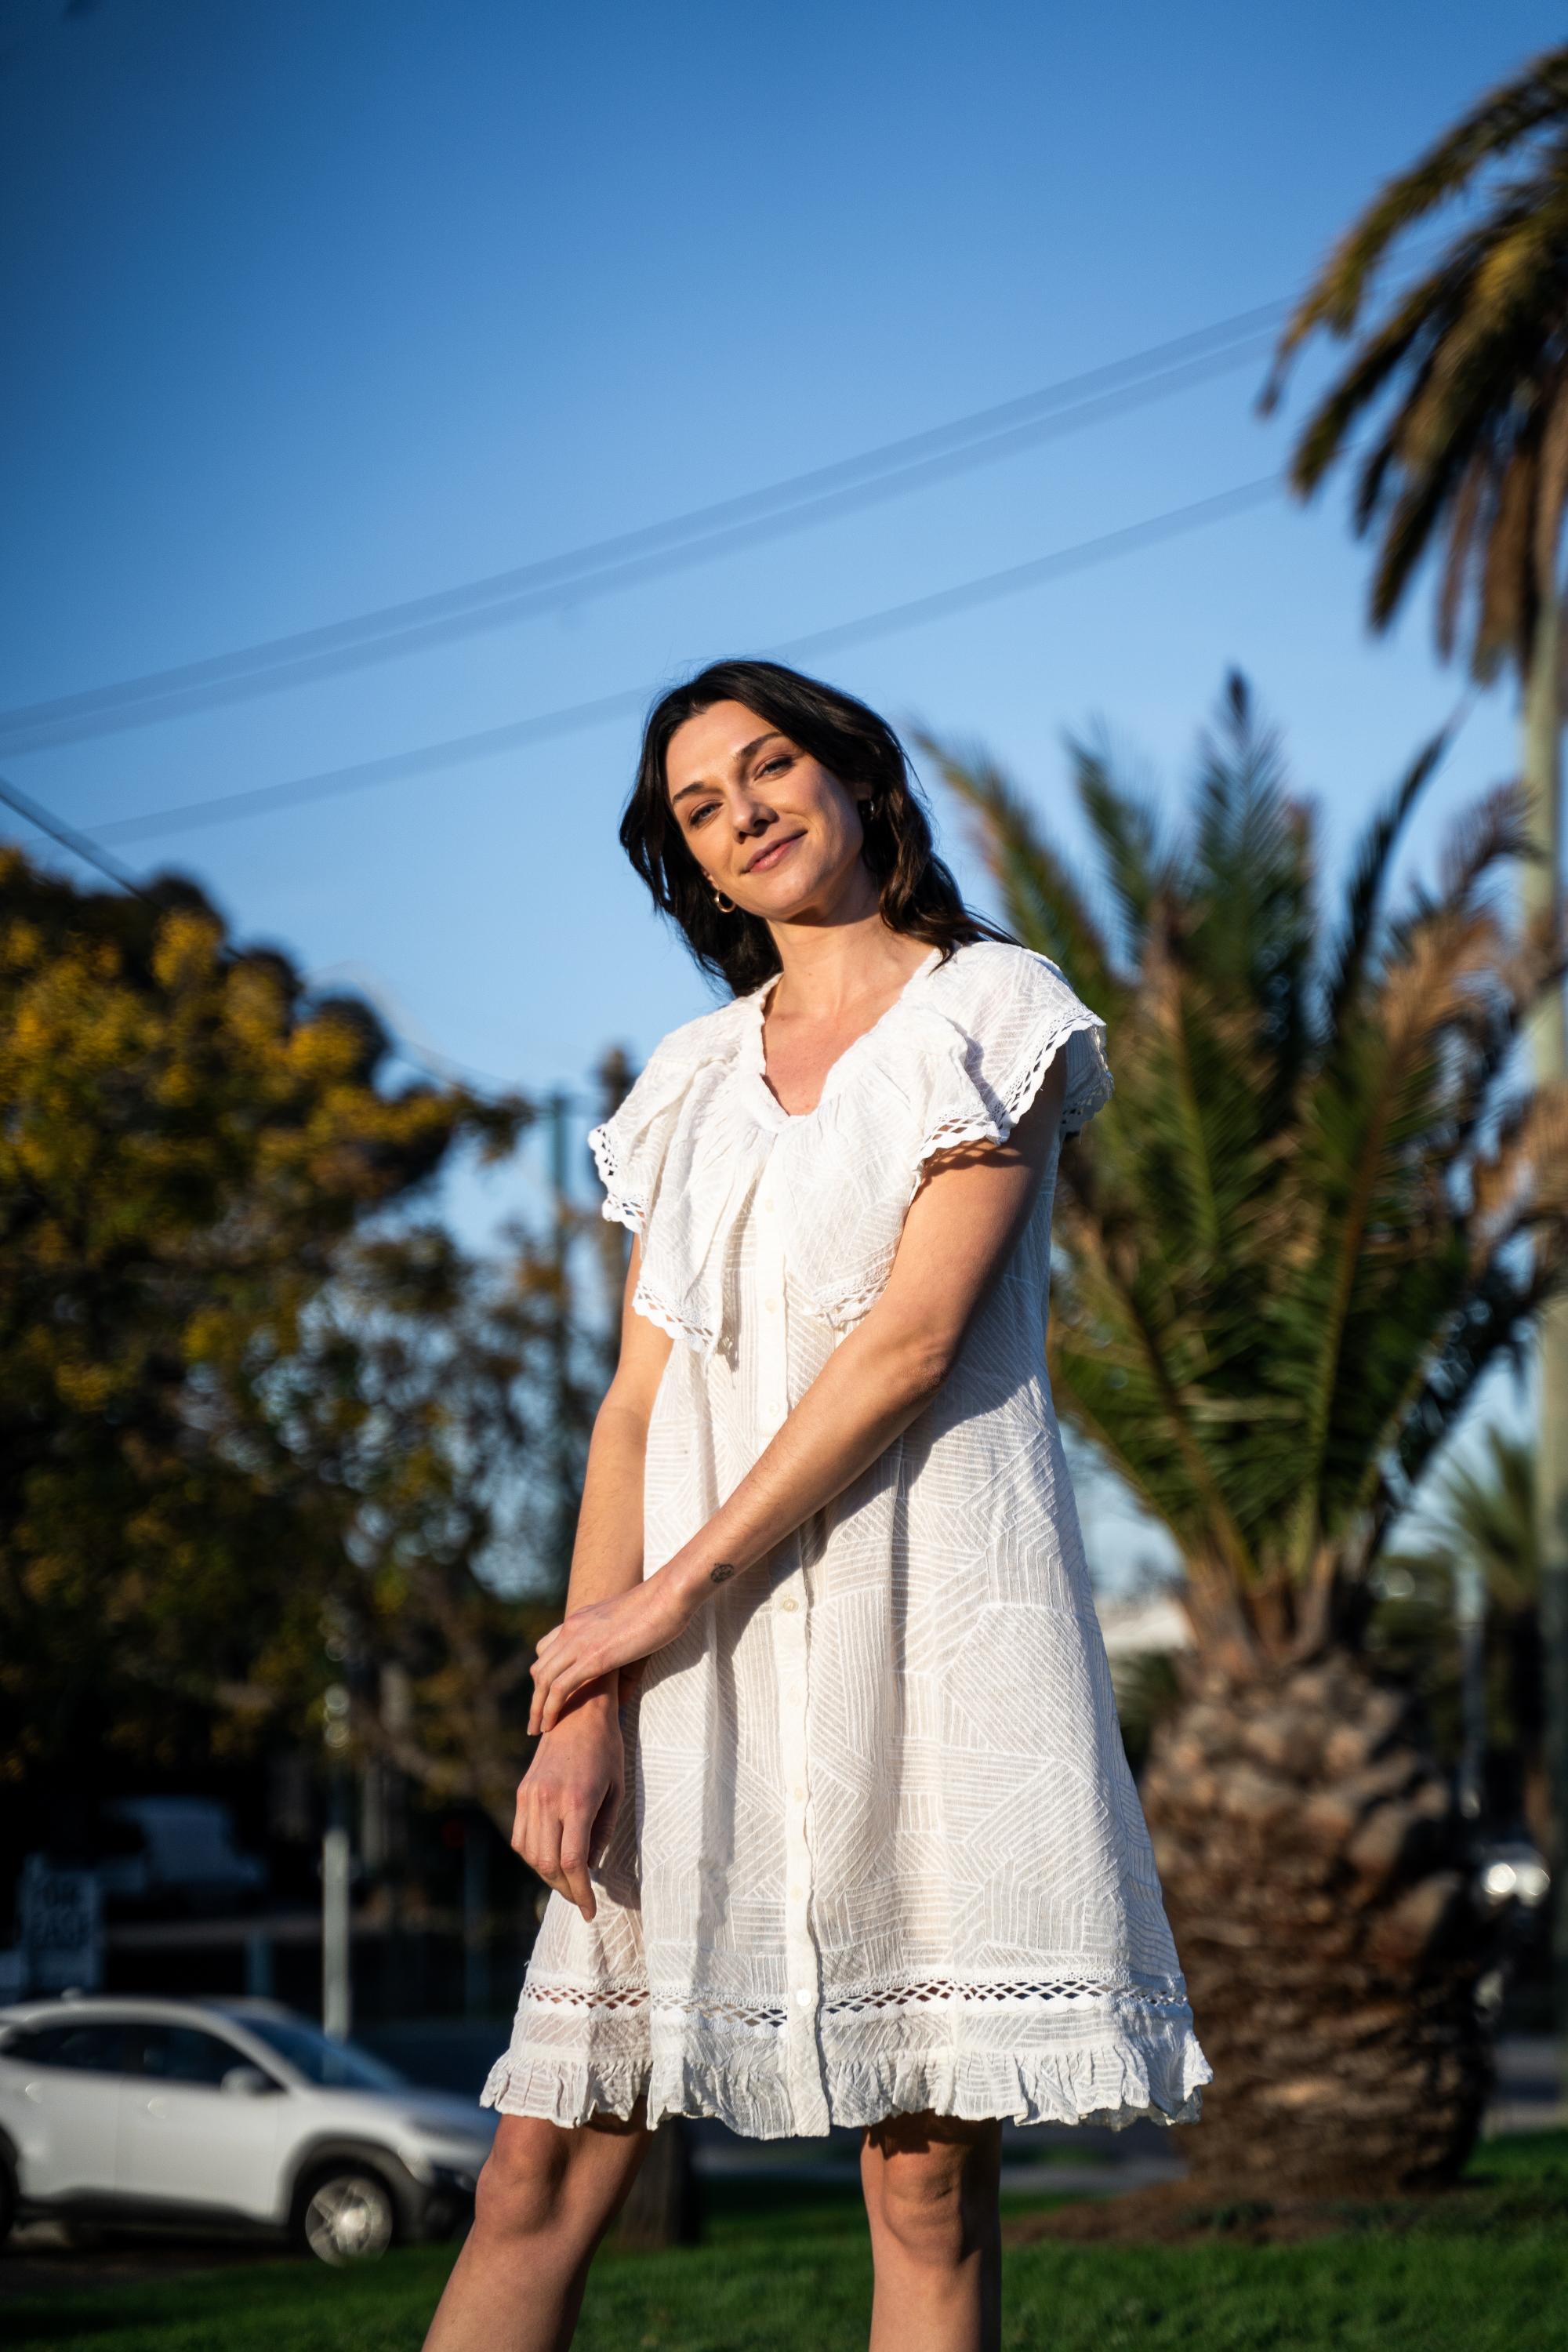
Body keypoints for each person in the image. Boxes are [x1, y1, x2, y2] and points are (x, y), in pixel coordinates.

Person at [423, 659, 1210, 2352]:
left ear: (857, 779)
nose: (746, 814)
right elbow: (635, 1408)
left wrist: (658, 1599)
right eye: (702, 808)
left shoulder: (990, 1010)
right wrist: (588, 1690)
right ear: (691, 867)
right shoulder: (691, 1080)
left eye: (770, 768)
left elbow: (909, 1348)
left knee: (923, 2188)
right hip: (686, 1673)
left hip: (926, 1649)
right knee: (530, 2180)